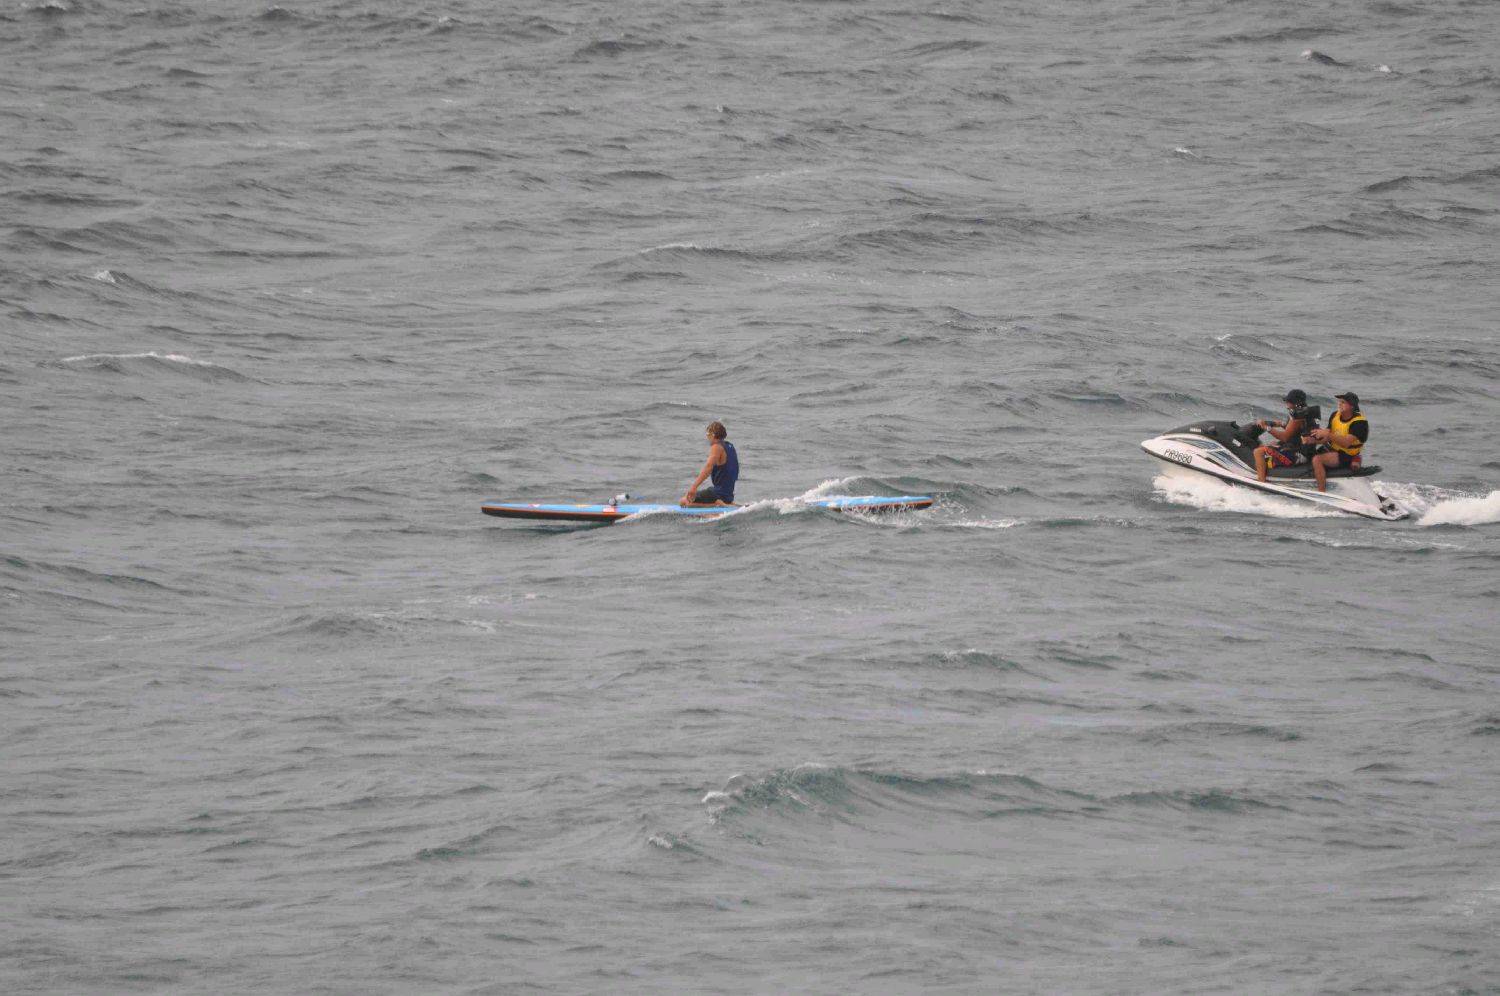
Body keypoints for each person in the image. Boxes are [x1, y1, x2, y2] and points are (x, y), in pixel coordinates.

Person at [1308, 392, 1369, 492]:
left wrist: (1327, 434)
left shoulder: (1359, 423)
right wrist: (1313, 440)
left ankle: (1321, 492)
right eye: (1339, 402)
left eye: (1343, 402)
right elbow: (1327, 437)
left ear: (1352, 406)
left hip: (1348, 454)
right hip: (1333, 449)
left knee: (1317, 460)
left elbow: (1346, 443)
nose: (1339, 404)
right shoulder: (1335, 415)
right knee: (1310, 455)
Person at [1253, 388, 1314, 482]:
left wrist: (1266, 427)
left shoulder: (1298, 416)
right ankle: (1268, 472)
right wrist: (1280, 424)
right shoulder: (1304, 412)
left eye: (1288, 401)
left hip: (1299, 455)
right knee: (1270, 444)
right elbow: (1294, 431)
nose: (1286, 404)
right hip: (1299, 449)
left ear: (1296, 403)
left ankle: (1261, 482)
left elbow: (1284, 437)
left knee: (1258, 452)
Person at [681, 420, 738, 506]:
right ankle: (727, 502)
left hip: (718, 493)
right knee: (707, 494)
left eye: (708, 435)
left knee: (684, 501)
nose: (707, 438)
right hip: (728, 494)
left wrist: (694, 487)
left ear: (713, 435)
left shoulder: (716, 446)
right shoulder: (730, 446)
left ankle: (716, 503)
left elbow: (708, 467)